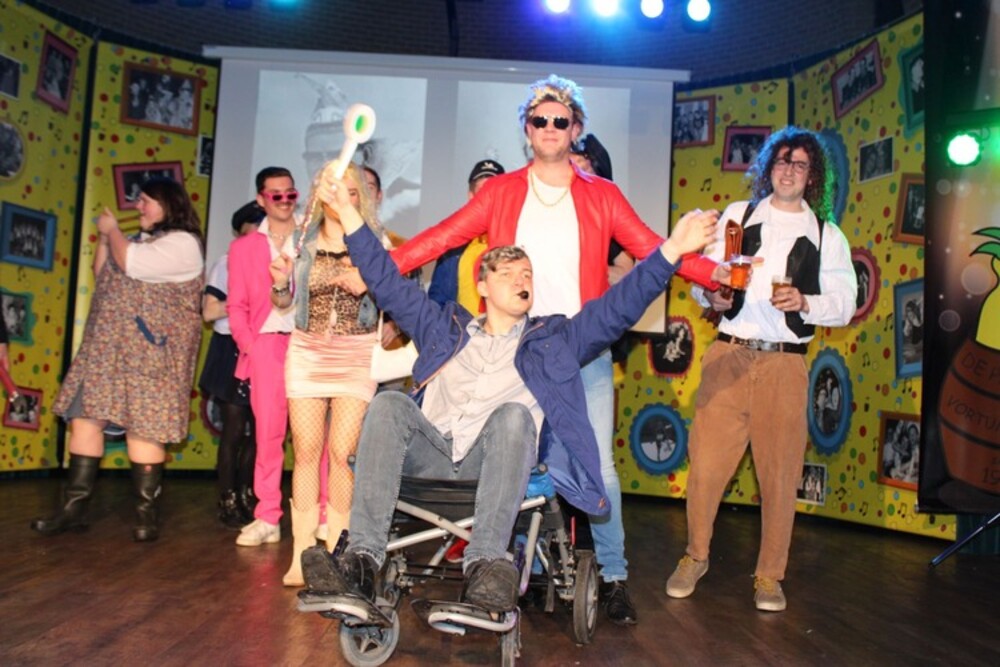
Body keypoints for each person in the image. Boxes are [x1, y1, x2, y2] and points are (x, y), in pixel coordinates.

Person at [300, 165, 719, 613]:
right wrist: (347, 212)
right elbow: (385, 280)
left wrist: (672, 250)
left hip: (494, 465)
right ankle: (361, 563)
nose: (522, 280)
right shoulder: (442, 328)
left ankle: (485, 567)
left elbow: (617, 308)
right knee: (388, 403)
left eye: (528, 275)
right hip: (433, 456)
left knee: (514, 415)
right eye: (508, 273)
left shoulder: (553, 343)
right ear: (481, 284)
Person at [389, 74, 725, 625]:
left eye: (560, 120)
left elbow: (653, 248)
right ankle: (519, 570)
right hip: (514, 352)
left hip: (578, 349)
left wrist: (715, 275)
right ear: (527, 130)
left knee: (599, 468)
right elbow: (442, 236)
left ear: (575, 130)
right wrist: (379, 268)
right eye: (539, 120)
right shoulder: (500, 192)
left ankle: (613, 576)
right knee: (515, 463)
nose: (549, 127)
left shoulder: (603, 195)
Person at [665, 126, 856, 612]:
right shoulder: (738, 215)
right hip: (729, 353)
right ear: (769, 167)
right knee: (706, 468)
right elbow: (703, 279)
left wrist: (806, 301)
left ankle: (770, 576)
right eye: (782, 161)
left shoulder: (826, 234)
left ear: (812, 176)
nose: (789, 171)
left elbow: (845, 303)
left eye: (800, 164)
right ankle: (695, 556)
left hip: (785, 365)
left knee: (779, 475)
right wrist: (712, 295)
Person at [34, 178, 205, 542]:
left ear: (168, 204)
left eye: (146, 201)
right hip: (106, 352)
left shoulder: (183, 243)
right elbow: (103, 274)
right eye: (138, 200)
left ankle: (145, 515)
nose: (138, 207)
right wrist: (104, 239)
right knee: (85, 420)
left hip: (149, 357)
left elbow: (130, 264)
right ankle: (74, 510)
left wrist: (112, 232)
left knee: (144, 430)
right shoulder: (134, 240)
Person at [268, 162, 387, 587]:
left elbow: (391, 296)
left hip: (356, 354)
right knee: (305, 452)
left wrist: (370, 278)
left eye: (352, 192)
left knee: (343, 453)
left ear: (360, 198)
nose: (342, 198)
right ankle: (303, 555)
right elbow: (283, 303)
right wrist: (279, 283)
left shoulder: (373, 241)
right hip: (308, 352)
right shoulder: (302, 239)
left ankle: (338, 553)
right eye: (336, 189)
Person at [227, 166, 300, 548]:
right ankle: (267, 515)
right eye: (276, 195)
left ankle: (323, 513)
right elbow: (236, 305)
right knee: (268, 434)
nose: (285, 201)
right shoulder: (244, 248)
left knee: (313, 435)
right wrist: (250, 346)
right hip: (267, 344)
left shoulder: (312, 237)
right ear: (261, 199)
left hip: (308, 342)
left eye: (290, 194)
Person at [199, 201, 264, 529]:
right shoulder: (226, 263)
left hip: (265, 350)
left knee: (261, 433)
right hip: (231, 349)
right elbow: (209, 311)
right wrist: (242, 300)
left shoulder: (280, 263)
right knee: (234, 430)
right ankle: (227, 497)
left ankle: (248, 494)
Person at [427, 159, 505, 308]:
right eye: (482, 191)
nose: (488, 198)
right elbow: (437, 302)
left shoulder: (518, 239)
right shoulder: (453, 246)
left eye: (494, 191)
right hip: (462, 324)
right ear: (471, 196)